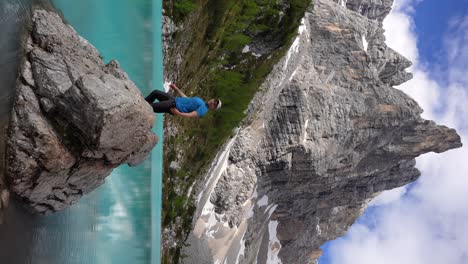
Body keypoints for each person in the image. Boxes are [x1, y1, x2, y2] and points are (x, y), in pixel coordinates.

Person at [144, 84, 221, 118]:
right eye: (214, 101)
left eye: (214, 105)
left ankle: (139, 110)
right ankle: (141, 103)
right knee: (156, 93)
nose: (212, 102)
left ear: (213, 108)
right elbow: (186, 98)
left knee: (150, 107)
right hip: (174, 99)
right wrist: (176, 89)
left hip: (174, 106)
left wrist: (179, 113)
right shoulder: (201, 101)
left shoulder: (203, 110)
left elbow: (191, 115)